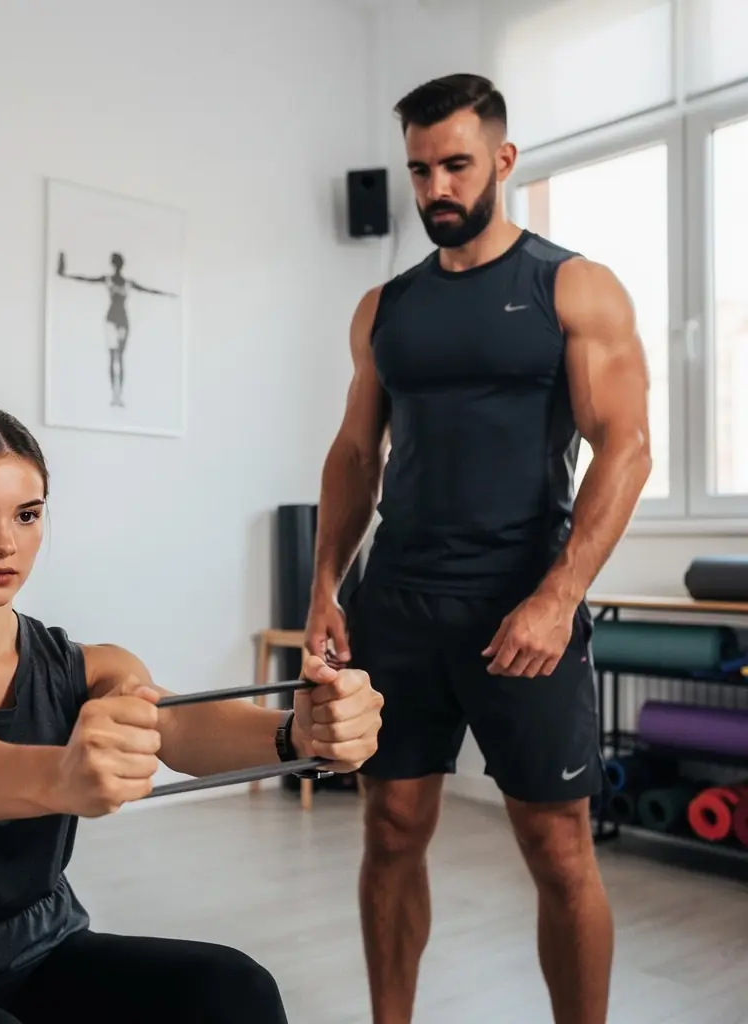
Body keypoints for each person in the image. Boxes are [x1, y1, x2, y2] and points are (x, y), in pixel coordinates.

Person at [0, 402, 384, 1024]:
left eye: (27, 515)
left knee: (235, 988)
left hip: (41, 949)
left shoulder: (88, 666)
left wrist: (299, 735)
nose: (5, 543)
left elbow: (170, 723)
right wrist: (61, 775)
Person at [304, 74, 651, 1024]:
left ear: (503, 159)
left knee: (558, 848)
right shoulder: (385, 307)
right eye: (419, 170)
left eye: (455, 165)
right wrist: (325, 585)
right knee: (391, 829)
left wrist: (559, 597)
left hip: (520, 609)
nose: (436, 189)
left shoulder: (571, 286)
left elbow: (626, 445)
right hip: (398, 604)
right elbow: (354, 453)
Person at [55, 250, 177, 408]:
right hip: (113, 321)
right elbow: (86, 279)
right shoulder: (113, 281)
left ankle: (118, 395)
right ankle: (115, 395)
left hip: (120, 321)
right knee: (116, 358)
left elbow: (148, 290)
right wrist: (65, 274)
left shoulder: (124, 282)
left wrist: (167, 294)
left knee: (118, 358)